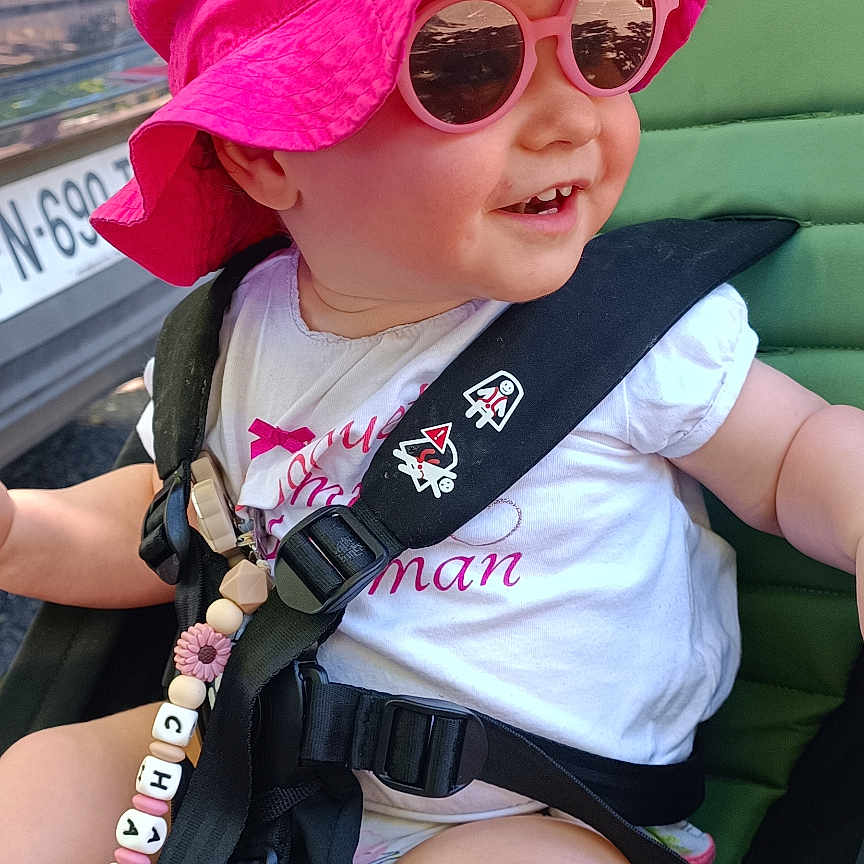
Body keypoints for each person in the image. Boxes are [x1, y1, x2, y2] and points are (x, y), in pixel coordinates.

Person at [1, 0, 863, 862]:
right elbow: (170, 522)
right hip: (241, 767)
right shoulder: (226, 338)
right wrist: (21, 533)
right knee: (41, 782)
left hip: (536, 814)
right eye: (468, 65)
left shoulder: (625, 332)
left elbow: (796, 455)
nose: (571, 119)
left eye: (607, 42)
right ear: (265, 152)